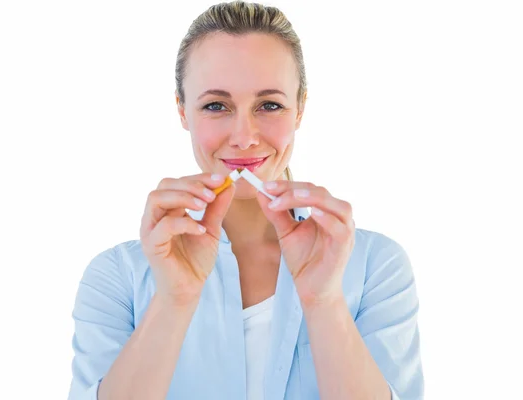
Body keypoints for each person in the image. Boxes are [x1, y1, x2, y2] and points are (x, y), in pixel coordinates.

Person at [66, 1, 424, 399]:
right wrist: (174, 299)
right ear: (182, 110)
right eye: (216, 106)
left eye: (269, 105)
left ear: (300, 108)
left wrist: (324, 303)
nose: (244, 136)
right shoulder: (117, 278)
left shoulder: (376, 267)